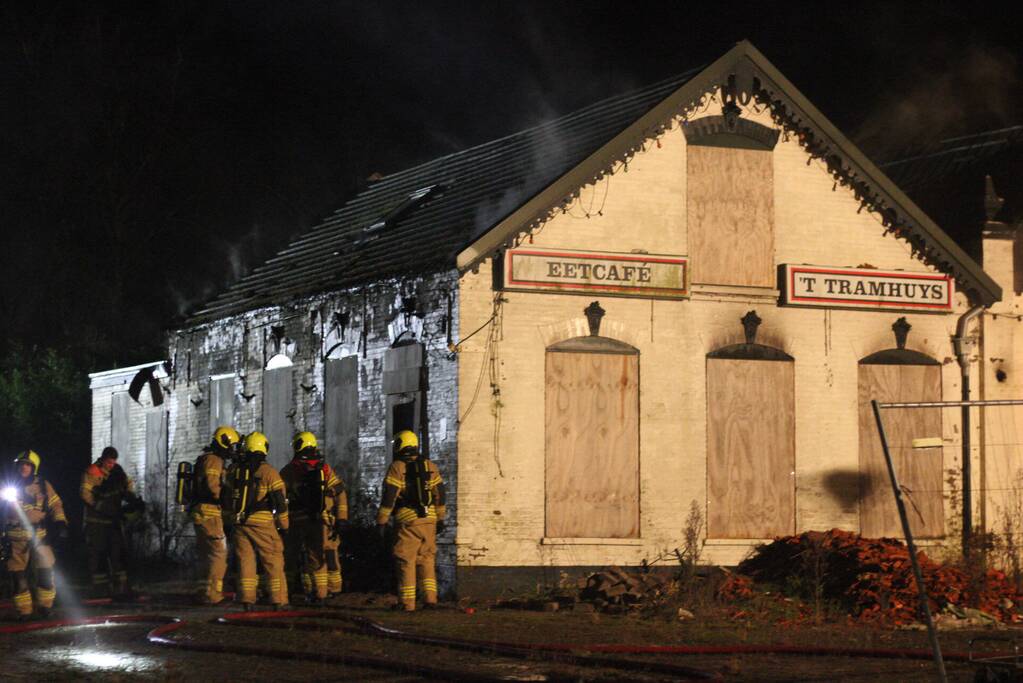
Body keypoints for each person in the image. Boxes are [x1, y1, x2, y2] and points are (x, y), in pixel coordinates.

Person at [376, 430, 446, 611]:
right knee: (427, 559)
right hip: (429, 519)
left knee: (406, 560)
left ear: (399, 444)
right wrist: (440, 517)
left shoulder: (398, 467)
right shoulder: (430, 465)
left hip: (408, 521)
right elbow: (441, 493)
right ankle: (430, 600)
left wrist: (382, 520)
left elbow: (390, 495)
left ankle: (407, 603)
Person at [224, 432, 289, 610]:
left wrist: (228, 522)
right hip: (263, 523)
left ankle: (247, 600)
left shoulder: (233, 471)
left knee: (245, 560)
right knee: (273, 558)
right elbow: (280, 502)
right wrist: (284, 526)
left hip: (239, 523)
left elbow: (227, 498)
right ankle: (278, 600)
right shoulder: (269, 472)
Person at [281, 432, 347, 602]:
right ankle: (325, 592)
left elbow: (280, 498)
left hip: (297, 521)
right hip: (322, 520)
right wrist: (342, 518)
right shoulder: (324, 469)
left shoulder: (289, 470)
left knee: (295, 556)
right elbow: (340, 491)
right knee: (321, 555)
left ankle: (293, 591)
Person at [2, 451, 68, 618]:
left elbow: (56, 505)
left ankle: (46, 608)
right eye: (21, 464)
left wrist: (60, 523)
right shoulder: (8, 486)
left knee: (46, 573)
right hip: (16, 539)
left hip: (40, 537)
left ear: (33, 467)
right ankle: (24, 612)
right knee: (18, 577)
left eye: (27, 464)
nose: (24, 467)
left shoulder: (44, 486)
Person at [80, 446, 143, 597]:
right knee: (99, 555)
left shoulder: (117, 471)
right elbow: (84, 493)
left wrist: (133, 500)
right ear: (102, 460)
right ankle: (101, 590)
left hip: (113, 521)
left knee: (118, 554)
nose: (111, 465)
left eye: (113, 462)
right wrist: (100, 506)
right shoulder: (92, 472)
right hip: (96, 522)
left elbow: (127, 486)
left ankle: (121, 588)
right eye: (109, 462)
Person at [191, 425, 240, 605]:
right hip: (210, 511)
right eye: (231, 445)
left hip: (200, 511)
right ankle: (213, 595)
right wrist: (227, 498)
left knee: (206, 554)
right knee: (219, 553)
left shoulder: (205, 458)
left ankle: (203, 592)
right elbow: (213, 487)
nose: (232, 450)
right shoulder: (214, 460)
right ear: (224, 442)